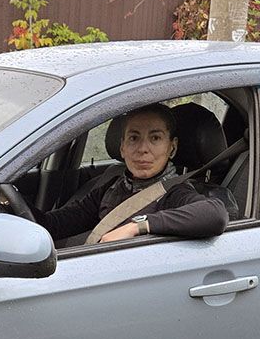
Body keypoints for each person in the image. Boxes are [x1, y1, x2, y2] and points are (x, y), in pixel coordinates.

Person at [31, 103, 230, 244]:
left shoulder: (174, 193)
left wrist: (137, 227)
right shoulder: (112, 186)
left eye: (155, 138)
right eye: (134, 138)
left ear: (172, 147)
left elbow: (215, 214)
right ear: (122, 147)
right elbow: (55, 224)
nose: (143, 149)